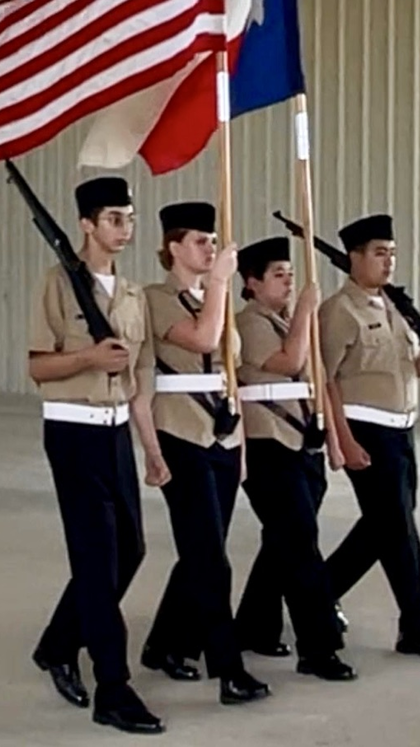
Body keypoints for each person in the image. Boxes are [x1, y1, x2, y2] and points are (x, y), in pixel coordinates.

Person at [28, 176, 169, 735]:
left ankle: (58, 643)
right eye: (113, 218)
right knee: (95, 559)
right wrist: (89, 357)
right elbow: (38, 366)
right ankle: (113, 687)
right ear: (86, 224)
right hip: (72, 431)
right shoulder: (57, 284)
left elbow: (139, 383)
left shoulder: (132, 296)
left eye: (129, 218)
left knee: (129, 549)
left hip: (114, 434)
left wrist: (151, 451)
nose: (124, 228)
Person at [319, 213, 420, 661]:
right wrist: (342, 439)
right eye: (380, 253)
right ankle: (417, 625)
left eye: (393, 254)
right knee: (398, 529)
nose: (389, 263)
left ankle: (319, 590)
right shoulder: (339, 311)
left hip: (401, 429)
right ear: (354, 258)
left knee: (386, 525)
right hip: (366, 430)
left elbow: (408, 367)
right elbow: (325, 380)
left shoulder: (394, 308)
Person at [140, 201, 270, 705]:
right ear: (173, 247)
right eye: (199, 240)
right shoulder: (157, 298)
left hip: (221, 432)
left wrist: (239, 445)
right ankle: (227, 668)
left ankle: (165, 644)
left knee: (202, 549)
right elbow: (202, 338)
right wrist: (219, 283)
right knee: (211, 560)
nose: (211, 248)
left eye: (213, 241)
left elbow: (230, 364)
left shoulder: (209, 295)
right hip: (181, 433)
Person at [233, 237, 356, 681]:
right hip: (268, 446)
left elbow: (318, 376)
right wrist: (306, 309)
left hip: (303, 445)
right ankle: (319, 647)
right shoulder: (248, 322)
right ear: (251, 283)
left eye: (290, 273)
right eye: (278, 275)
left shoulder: (289, 321)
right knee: (301, 545)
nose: (288, 282)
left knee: (281, 543)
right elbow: (288, 363)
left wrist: (336, 446)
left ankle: (254, 625)